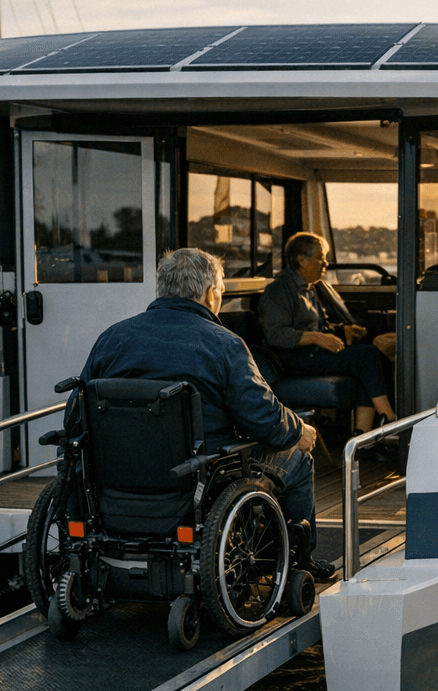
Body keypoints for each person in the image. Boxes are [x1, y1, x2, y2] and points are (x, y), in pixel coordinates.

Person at [78, 247, 333, 578]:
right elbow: (263, 419)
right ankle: (299, 561)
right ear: (210, 292)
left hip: (117, 476)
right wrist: (299, 429)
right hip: (201, 472)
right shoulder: (223, 345)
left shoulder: (111, 339)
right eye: (222, 293)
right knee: (298, 459)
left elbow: (77, 415)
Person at [262, 232, 395, 435]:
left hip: (314, 354)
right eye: (320, 258)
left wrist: (343, 330)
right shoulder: (279, 290)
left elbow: (319, 327)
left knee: (370, 362)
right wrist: (317, 338)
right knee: (367, 356)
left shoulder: (310, 288)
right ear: (301, 260)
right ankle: (392, 423)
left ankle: (363, 437)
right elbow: (276, 335)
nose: (325, 263)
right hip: (293, 360)